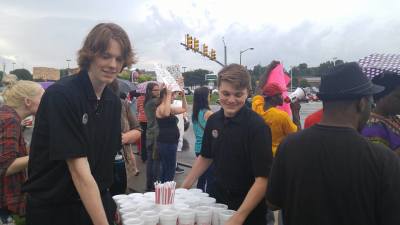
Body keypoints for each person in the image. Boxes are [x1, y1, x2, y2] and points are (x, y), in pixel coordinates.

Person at [22, 23, 135, 225]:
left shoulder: (112, 102)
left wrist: (108, 206)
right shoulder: (62, 95)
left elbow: (103, 165)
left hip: (94, 201)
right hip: (55, 209)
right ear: (90, 55)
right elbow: (79, 173)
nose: (113, 65)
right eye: (106, 56)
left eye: (119, 59)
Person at [266, 62, 400, 225]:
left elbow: (273, 203)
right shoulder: (384, 160)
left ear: (325, 101)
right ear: (362, 103)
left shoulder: (289, 146)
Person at [182, 64, 273, 225]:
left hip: (248, 209)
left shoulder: (257, 127)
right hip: (217, 202)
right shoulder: (213, 120)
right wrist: (184, 187)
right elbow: (205, 156)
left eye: (238, 94)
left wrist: (239, 217)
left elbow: (263, 179)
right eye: (226, 93)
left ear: (247, 93)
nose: (231, 100)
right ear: (218, 90)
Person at [0, 80, 44, 225]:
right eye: (42, 98)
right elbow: (6, 166)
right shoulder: (10, 120)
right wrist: (41, 156)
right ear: (27, 101)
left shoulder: (6, 115)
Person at [252, 82, 300, 157]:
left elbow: (258, 88)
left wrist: (269, 69)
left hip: (260, 154)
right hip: (277, 157)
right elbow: (297, 136)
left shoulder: (256, 106)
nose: (282, 97)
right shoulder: (281, 116)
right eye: (280, 94)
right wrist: (295, 111)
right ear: (273, 97)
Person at [155, 82, 187, 182]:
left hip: (171, 142)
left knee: (167, 167)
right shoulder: (161, 108)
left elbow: (184, 109)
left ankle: (164, 189)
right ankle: (166, 189)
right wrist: (169, 93)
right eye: (173, 95)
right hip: (166, 142)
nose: (174, 97)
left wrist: (183, 95)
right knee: (168, 168)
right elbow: (166, 112)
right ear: (166, 95)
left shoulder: (169, 108)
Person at [362, 71, 400, 153]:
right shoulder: (372, 126)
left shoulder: (394, 119)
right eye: (398, 97)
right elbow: (378, 161)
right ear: (382, 97)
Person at [191, 87, 214, 194]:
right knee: (210, 177)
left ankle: (199, 195)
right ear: (205, 97)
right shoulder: (208, 113)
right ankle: (208, 197)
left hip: (198, 147)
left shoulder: (195, 112)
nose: (210, 97)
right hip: (208, 149)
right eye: (209, 94)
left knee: (201, 175)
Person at [144, 82, 161, 191]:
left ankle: (149, 186)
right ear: (150, 91)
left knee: (150, 162)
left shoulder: (148, 102)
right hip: (155, 136)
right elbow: (168, 101)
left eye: (159, 89)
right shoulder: (154, 102)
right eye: (155, 90)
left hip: (150, 135)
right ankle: (155, 186)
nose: (158, 92)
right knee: (156, 163)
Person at [135, 91, 148, 162]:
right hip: (149, 120)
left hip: (141, 120)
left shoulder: (139, 98)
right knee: (149, 139)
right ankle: (149, 156)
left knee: (143, 139)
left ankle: (143, 157)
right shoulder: (149, 98)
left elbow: (137, 109)